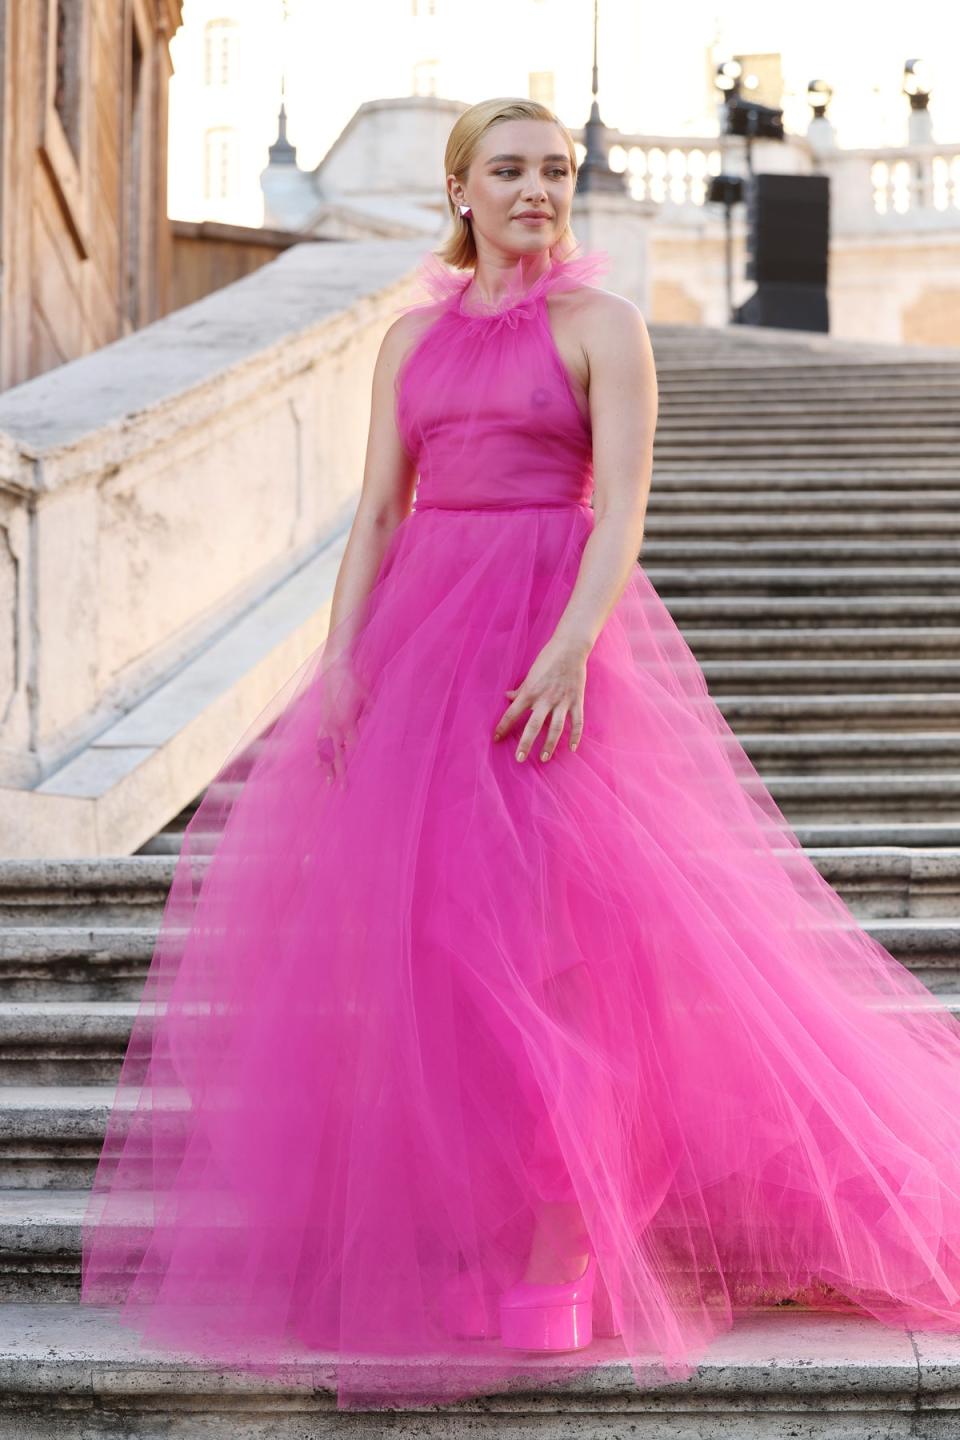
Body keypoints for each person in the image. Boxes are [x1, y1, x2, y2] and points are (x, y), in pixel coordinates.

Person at [80, 98, 960, 1414]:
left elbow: (621, 508)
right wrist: (339, 663)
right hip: (425, 643)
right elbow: (379, 508)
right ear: (462, 191)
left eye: (554, 169)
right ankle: (480, 1236)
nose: (540, 189)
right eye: (512, 170)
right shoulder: (408, 342)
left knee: (559, 954)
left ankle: (564, 1243)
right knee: (445, 953)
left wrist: (569, 648)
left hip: (553, 651)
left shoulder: (602, 329)